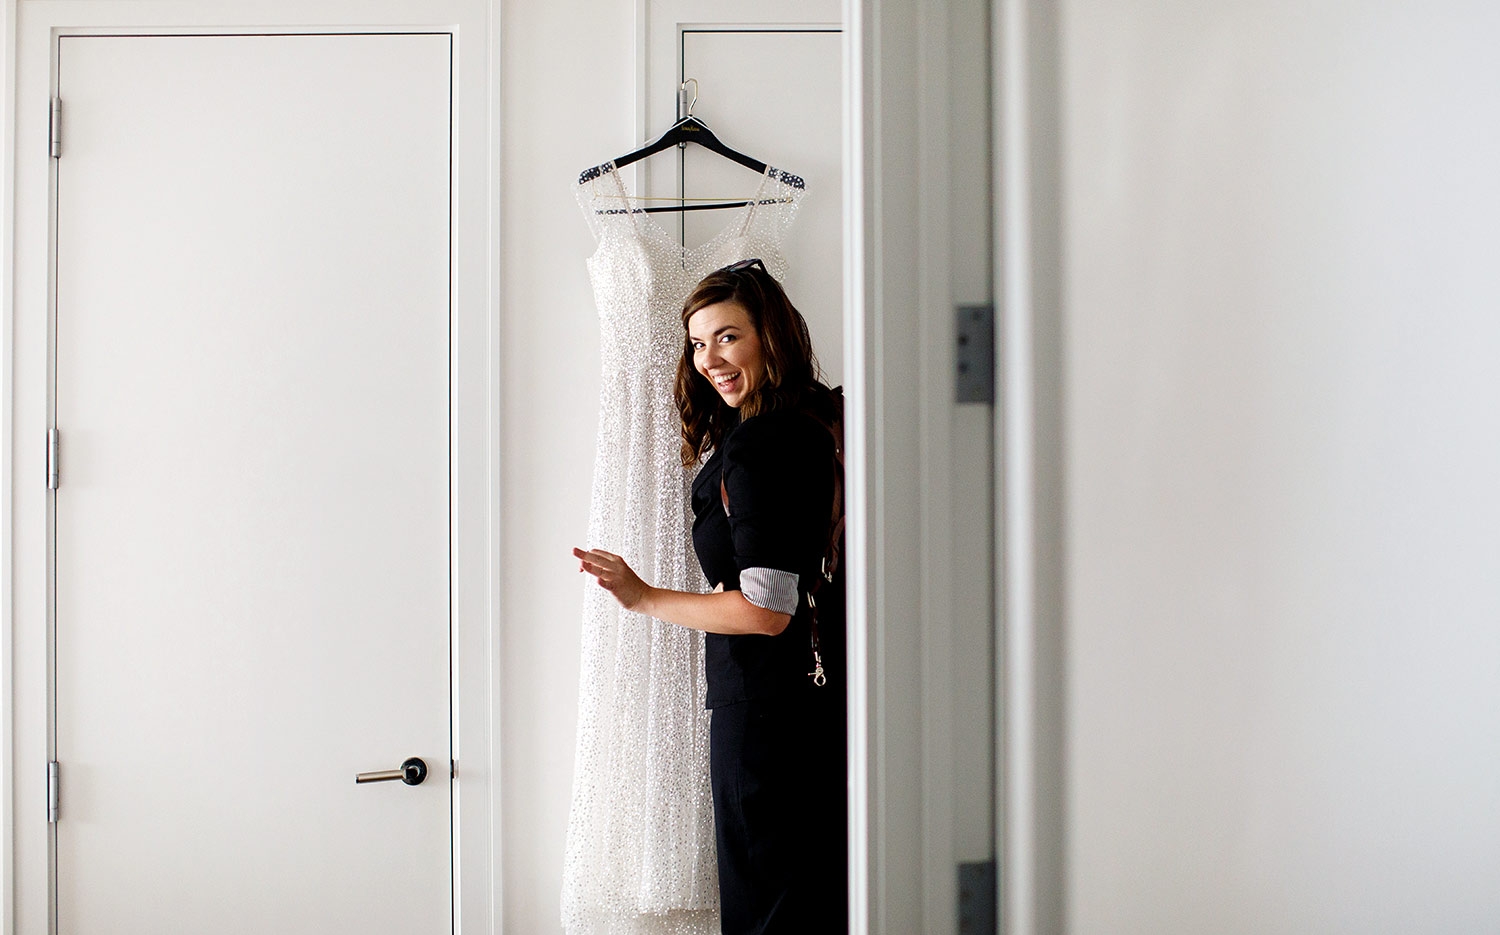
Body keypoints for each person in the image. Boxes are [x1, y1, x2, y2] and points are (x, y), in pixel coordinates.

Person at [573, 257, 848, 935]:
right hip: (817, 706)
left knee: (766, 910)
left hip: (766, 715)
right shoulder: (822, 420)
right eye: (698, 343)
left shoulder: (761, 445)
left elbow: (766, 608)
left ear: (770, 336)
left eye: (728, 336)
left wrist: (642, 596)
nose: (709, 360)